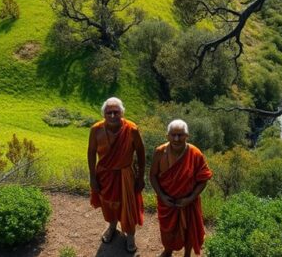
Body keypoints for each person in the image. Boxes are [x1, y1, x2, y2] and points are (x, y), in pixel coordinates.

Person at [88, 97, 145, 253]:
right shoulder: (96, 130)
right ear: (104, 114)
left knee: (128, 205)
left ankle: (131, 235)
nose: (112, 115)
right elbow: (91, 152)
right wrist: (92, 177)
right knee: (107, 203)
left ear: (122, 113)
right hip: (104, 174)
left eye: (116, 112)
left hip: (126, 174)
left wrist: (141, 177)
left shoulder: (131, 129)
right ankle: (112, 226)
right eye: (109, 112)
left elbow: (141, 152)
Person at [150, 119, 213, 257]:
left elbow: (203, 180)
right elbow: (153, 176)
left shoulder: (195, 154)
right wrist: (162, 196)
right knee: (167, 230)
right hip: (167, 203)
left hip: (189, 202)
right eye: (173, 135)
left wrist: (190, 198)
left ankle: (187, 254)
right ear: (167, 136)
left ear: (187, 136)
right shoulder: (160, 152)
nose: (177, 139)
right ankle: (168, 251)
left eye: (181, 135)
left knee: (189, 230)